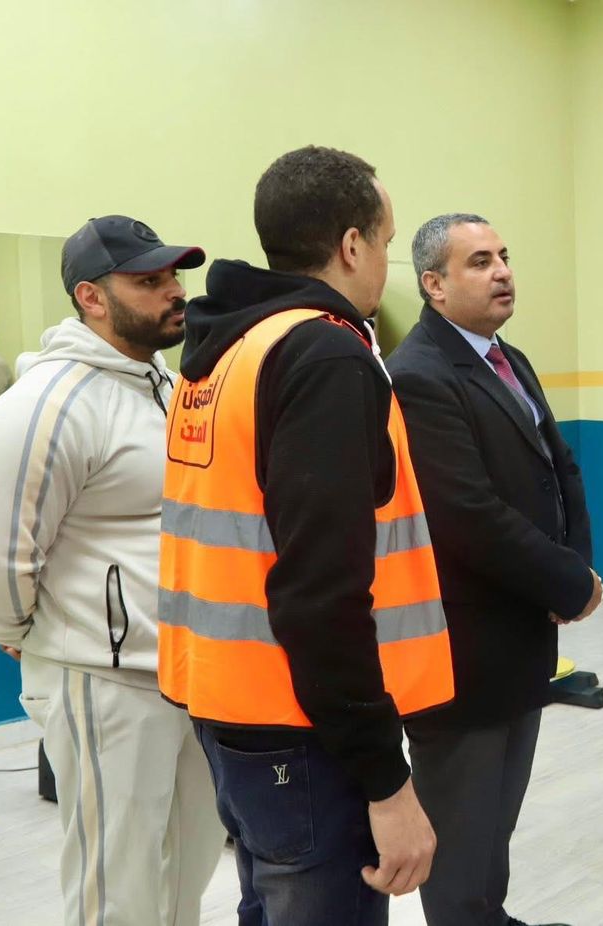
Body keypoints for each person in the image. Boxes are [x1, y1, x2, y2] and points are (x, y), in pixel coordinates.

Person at [159, 146, 452, 924]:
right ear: (352, 245)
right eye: (385, 241)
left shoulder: (225, 352)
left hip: (231, 708)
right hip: (306, 729)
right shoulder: (322, 354)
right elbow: (321, 593)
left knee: (269, 902)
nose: (385, 260)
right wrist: (387, 782)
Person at [0, 215, 224, 926]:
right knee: (117, 892)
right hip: (104, 680)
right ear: (92, 297)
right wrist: (36, 636)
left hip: (186, 671)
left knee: (185, 874)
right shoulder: (45, 405)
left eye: (173, 276)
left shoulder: (166, 384)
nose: (175, 292)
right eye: (149, 281)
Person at [387, 212, 598, 926]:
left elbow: (559, 472)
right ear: (434, 285)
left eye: (504, 256)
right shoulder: (418, 374)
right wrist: (567, 582)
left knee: (495, 823)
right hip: (464, 652)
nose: (503, 271)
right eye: (480, 262)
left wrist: (575, 572)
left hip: (521, 635)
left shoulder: (506, 358)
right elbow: (466, 514)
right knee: (462, 828)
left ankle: (489, 916)